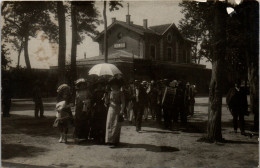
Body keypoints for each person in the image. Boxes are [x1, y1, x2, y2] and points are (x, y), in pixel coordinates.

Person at [105, 77, 125, 146]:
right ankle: (109, 140)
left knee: (116, 125)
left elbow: (123, 102)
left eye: (115, 84)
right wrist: (105, 97)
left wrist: (122, 110)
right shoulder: (109, 92)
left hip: (117, 109)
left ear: (118, 85)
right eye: (112, 84)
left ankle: (114, 141)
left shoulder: (120, 93)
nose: (113, 86)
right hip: (110, 109)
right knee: (109, 123)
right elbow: (106, 102)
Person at [74, 79, 94, 143]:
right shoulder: (77, 92)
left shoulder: (87, 91)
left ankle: (85, 136)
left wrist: (88, 101)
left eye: (83, 85)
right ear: (79, 86)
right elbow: (75, 101)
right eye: (80, 85)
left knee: (86, 121)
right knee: (79, 121)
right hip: (79, 108)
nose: (82, 86)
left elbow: (91, 98)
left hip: (86, 107)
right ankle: (78, 136)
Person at [92, 79, 107, 144]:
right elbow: (93, 100)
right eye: (98, 85)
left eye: (101, 85)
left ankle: (103, 138)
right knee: (97, 123)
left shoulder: (105, 92)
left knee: (103, 123)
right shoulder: (95, 92)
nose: (100, 86)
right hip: (97, 109)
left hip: (104, 109)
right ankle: (97, 138)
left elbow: (107, 101)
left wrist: (104, 99)